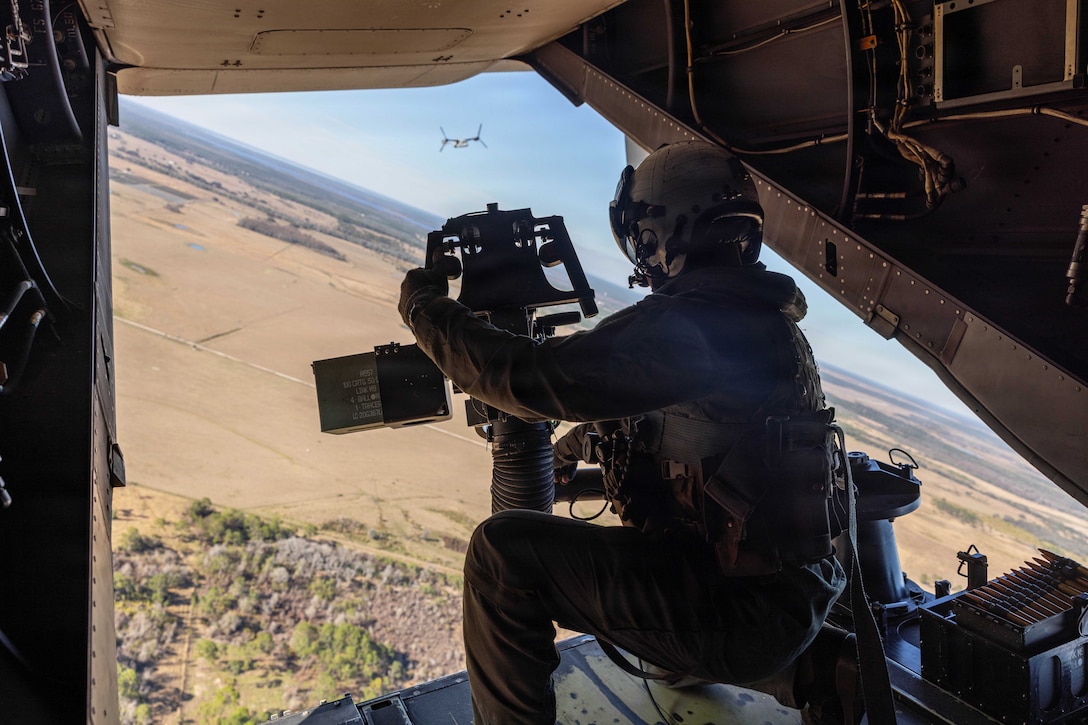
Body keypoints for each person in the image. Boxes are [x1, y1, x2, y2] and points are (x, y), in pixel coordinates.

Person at [398, 141, 859, 724]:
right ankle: (813, 674)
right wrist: (573, 447)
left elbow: (529, 380)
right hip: (789, 599)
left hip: (744, 614)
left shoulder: (699, 326)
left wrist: (425, 311)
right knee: (657, 645)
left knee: (500, 555)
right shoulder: (752, 320)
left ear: (659, 233)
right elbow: (689, 431)